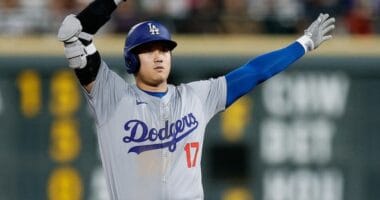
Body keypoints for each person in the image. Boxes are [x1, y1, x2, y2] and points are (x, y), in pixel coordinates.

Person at [57, 0, 335, 199]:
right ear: (131, 59)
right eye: (149, 50)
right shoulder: (112, 96)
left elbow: (254, 72)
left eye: (164, 49)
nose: (159, 56)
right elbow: (74, 34)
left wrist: (303, 44)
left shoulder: (197, 97)